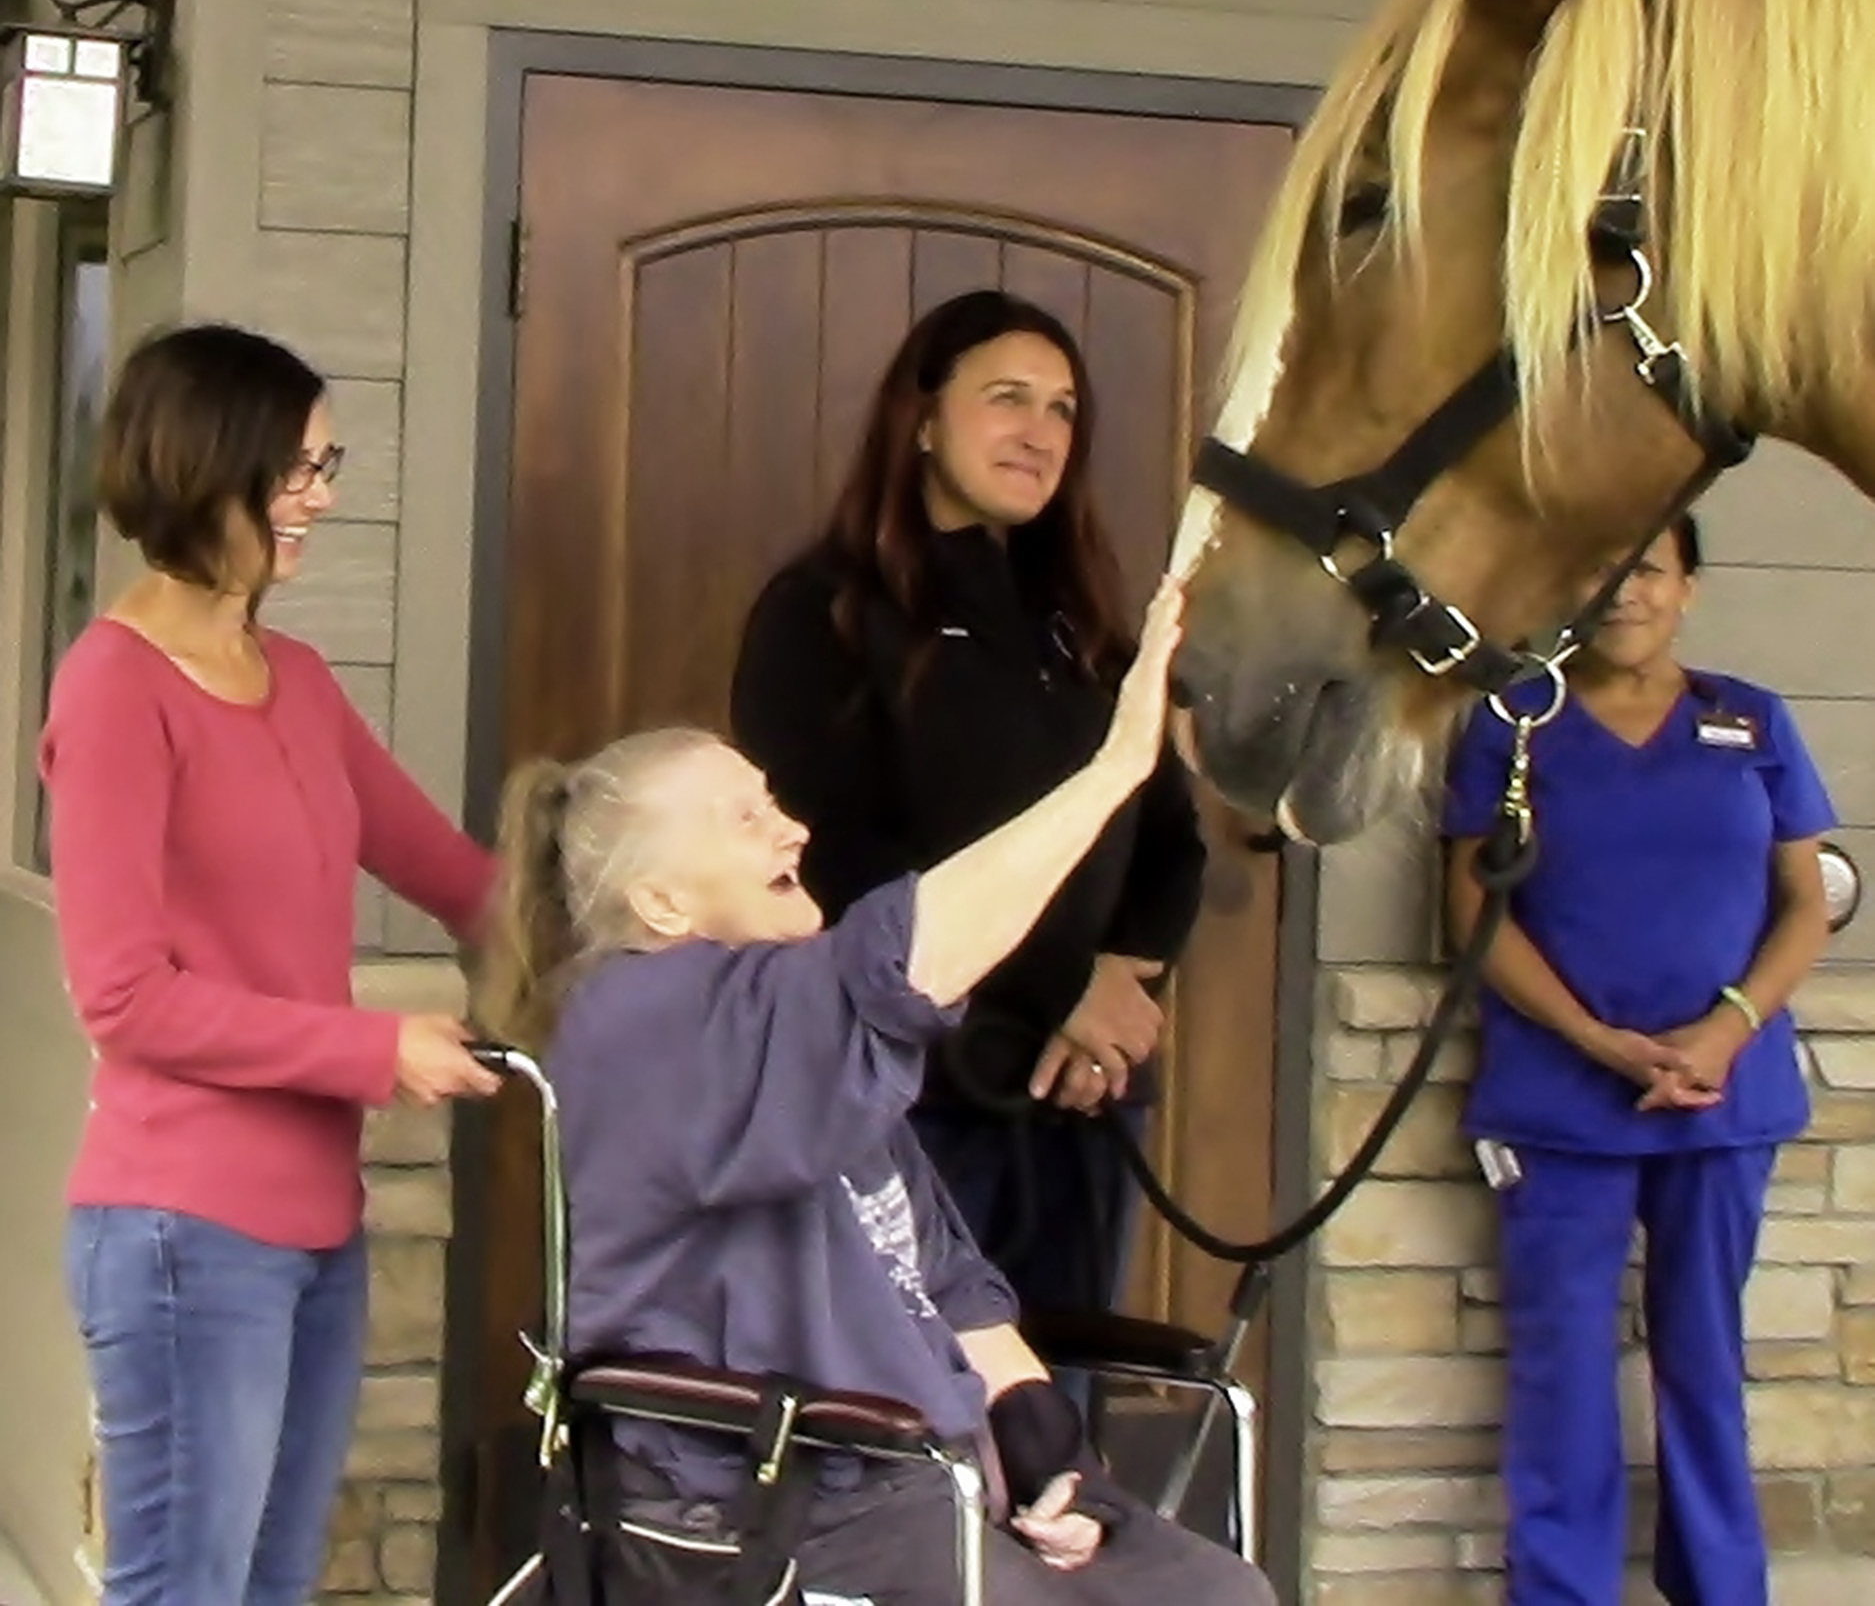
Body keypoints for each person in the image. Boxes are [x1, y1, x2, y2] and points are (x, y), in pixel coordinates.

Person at [478, 580, 1273, 1606]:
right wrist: (1117, 765)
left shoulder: (788, 1034)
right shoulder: (641, 1024)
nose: (793, 830)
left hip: (917, 1484)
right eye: (747, 818)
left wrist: (1043, 1450)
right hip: (776, 1507)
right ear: (662, 900)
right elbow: (897, 965)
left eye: (776, 804)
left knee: (1216, 1594)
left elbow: (938, 1277)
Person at [42, 324, 503, 1606]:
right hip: (183, 1232)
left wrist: (670, 917)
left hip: (316, 1227)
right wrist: (375, 1047)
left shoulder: (293, 677)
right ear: (206, 469)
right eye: (294, 471)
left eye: (324, 464)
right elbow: (123, 996)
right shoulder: (114, 693)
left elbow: (458, 879)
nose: (322, 497)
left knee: (270, 1591)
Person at [730, 289, 1205, 1318]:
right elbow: (835, 860)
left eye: (1063, 409)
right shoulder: (828, 613)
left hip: (1081, 1101)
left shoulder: (1083, 628)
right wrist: (1062, 985)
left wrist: (1116, 1000)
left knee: (1058, 1420)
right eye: (1008, 399)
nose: (1040, 432)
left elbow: (1167, 837)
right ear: (925, 417)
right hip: (921, 1103)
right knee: (925, 1414)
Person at [1443, 514, 1834, 1606]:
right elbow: (1471, 906)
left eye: (1650, 570)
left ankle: (1720, 1588)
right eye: (1605, 571)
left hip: (1722, 1099)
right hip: (1562, 1103)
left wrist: (1726, 1028)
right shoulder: (1513, 721)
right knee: (1563, 1380)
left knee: (1703, 1366)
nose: (1625, 593)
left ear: (1690, 588)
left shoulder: (1751, 720)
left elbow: (1808, 905)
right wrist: (1593, 1040)